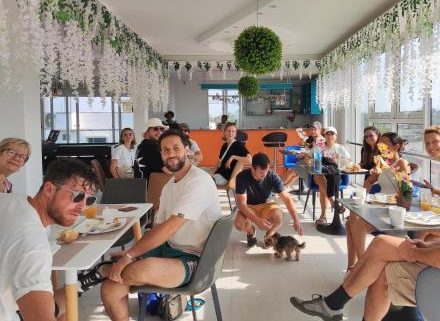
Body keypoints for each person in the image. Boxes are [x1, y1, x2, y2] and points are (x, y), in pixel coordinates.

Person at [290, 126, 440, 321]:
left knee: (383, 254)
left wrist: (413, 253)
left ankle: (333, 303)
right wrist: (430, 246)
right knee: (380, 248)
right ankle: (334, 302)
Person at [101, 129, 222, 320]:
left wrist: (130, 255)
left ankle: (102, 270)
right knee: (109, 289)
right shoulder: (170, 185)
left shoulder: (199, 181)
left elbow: (171, 226)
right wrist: (134, 252)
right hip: (169, 249)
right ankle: (106, 271)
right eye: (165, 150)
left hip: (196, 259)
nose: (171, 154)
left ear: (188, 150)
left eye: (176, 148)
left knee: (136, 270)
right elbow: (158, 227)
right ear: (161, 155)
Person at [0, 158, 97, 321]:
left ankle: (87, 280)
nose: (82, 207)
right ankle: (90, 279)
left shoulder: (12, 201)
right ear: (49, 189)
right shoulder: (33, 245)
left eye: (89, 199)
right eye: (78, 196)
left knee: (63, 306)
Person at [345, 132, 410, 270]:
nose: (380, 146)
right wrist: (364, 196)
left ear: (396, 146)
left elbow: (406, 193)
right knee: (350, 222)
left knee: (354, 222)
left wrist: (400, 191)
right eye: (380, 143)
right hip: (379, 205)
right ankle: (354, 265)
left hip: (393, 209)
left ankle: (361, 265)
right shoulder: (383, 161)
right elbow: (368, 182)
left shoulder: (402, 164)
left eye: (384, 143)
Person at [234, 152, 303, 247]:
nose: (264, 175)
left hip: (267, 204)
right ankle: (251, 233)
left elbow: (287, 199)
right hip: (249, 206)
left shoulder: (272, 175)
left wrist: (296, 220)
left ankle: (269, 234)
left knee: (279, 218)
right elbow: (242, 204)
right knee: (239, 224)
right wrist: (257, 220)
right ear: (252, 169)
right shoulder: (242, 177)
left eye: (266, 171)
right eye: (261, 172)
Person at [313, 126, 351, 226]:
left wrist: (337, 161)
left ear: (336, 136)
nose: (329, 136)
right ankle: (334, 203)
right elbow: (311, 158)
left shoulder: (340, 148)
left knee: (323, 187)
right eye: (327, 134)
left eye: (332, 134)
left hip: (335, 176)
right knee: (320, 178)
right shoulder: (319, 146)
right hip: (320, 175)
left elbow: (348, 162)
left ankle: (323, 216)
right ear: (324, 136)